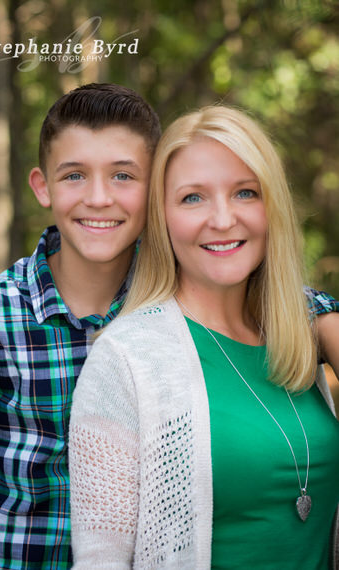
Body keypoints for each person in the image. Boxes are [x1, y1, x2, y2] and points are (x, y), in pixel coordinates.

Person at [69, 104, 339, 569]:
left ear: (271, 207)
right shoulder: (126, 358)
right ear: (163, 218)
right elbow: (100, 562)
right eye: (193, 198)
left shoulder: (301, 336)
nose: (222, 219)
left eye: (245, 193)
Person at [0, 83, 161, 569]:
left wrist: (322, 314)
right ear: (42, 186)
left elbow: (271, 296)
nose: (98, 197)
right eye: (74, 175)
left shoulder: (171, 309)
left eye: (123, 176)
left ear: (156, 187)